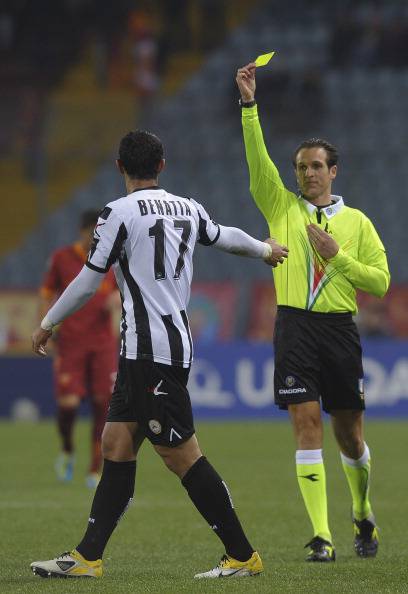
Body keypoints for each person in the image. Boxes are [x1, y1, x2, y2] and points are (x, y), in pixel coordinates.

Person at [30, 129, 288, 579]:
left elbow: (90, 281)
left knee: (181, 455)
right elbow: (224, 236)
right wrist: (265, 249)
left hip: (150, 351)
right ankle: (88, 557)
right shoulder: (187, 207)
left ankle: (242, 555)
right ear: (161, 165)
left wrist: (49, 321)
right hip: (161, 347)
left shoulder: (118, 213)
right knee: (115, 442)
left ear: (119, 167)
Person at [236, 62, 390, 562]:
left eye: (316, 166)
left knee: (350, 436)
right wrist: (249, 106)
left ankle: (362, 512)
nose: (307, 173)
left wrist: (337, 257)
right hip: (295, 327)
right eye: (301, 167)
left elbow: (380, 283)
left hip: (339, 330)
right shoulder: (281, 207)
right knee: (306, 425)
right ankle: (322, 536)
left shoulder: (358, 223)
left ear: (333, 171)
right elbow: (258, 160)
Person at [39, 210, 119, 489]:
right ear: (83, 231)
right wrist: (46, 327)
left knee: (101, 404)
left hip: (102, 344)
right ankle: (67, 449)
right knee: (69, 404)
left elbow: (123, 291)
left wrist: (116, 299)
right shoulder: (62, 259)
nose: (97, 237)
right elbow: (47, 294)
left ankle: (95, 468)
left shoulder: (112, 258)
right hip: (71, 343)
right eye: (93, 232)